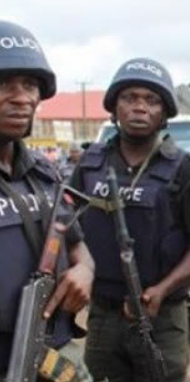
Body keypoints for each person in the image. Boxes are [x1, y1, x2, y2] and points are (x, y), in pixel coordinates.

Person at [71, 57, 190, 382]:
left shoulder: (184, 169)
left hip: (161, 317)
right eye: (130, 98)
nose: (140, 107)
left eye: (151, 100)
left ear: (165, 112)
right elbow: (65, 225)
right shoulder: (90, 164)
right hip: (102, 316)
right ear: (115, 109)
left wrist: (162, 289)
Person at [0, 20, 95, 381]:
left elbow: (78, 247)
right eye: (4, 84)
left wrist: (84, 271)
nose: (22, 96)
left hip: (55, 357)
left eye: (29, 85)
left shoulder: (45, 175)